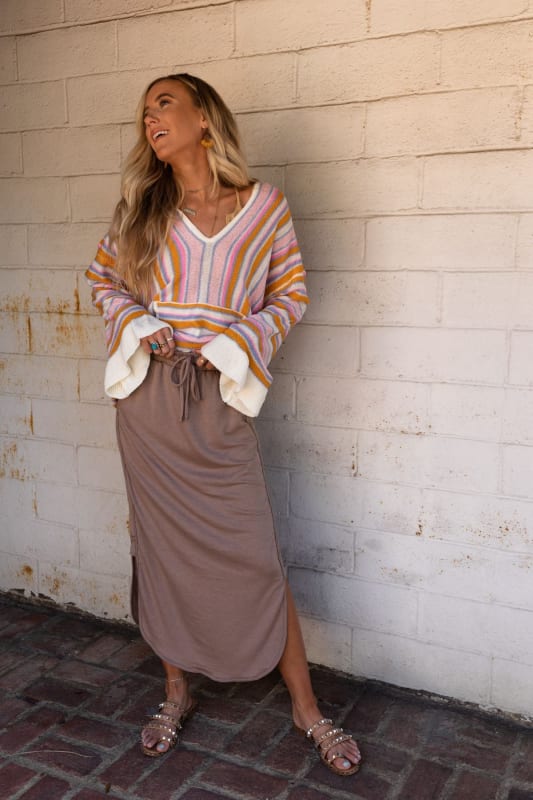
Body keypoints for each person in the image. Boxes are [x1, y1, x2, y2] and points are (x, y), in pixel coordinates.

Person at [86, 72, 361, 777]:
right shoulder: (141, 208)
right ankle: (175, 692)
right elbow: (102, 281)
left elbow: (291, 293)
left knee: (254, 554)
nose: (151, 117)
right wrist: (138, 323)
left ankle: (305, 708)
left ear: (203, 118)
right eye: (145, 111)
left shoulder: (263, 206)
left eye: (165, 103)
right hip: (150, 402)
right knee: (161, 549)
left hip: (219, 400)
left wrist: (237, 342)